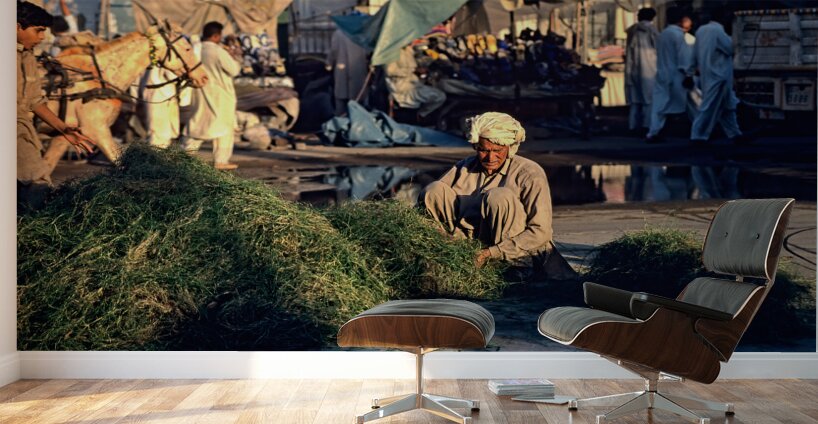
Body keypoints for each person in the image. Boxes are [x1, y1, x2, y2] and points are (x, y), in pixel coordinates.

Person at [419, 112, 553, 268]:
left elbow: (541, 232)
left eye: (497, 151)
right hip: (465, 246)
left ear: (510, 148)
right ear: (475, 147)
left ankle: (512, 269)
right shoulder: (464, 167)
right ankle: (445, 255)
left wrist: (491, 253)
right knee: (434, 189)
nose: (490, 158)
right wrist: (441, 240)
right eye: (483, 150)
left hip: (509, 252)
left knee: (499, 196)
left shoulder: (529, 173)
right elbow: (430, 202)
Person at [17, 1, 95, 209]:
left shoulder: (27, 56)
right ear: (16, 27)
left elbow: (35, 101)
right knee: (37, 183)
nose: (42, 37)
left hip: (24, 130)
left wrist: (64, 129)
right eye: (38, 31)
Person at [184, 21, 241, 170]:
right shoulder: (217, 51)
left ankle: (185, 155)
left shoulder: (196, 49)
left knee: (198, 124)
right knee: (224, 128)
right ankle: (221, 161)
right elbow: (234, 70)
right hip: (221, 95)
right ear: (216, 36)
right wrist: (234, 56)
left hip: (200, 91)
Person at [689, 10, 744, 144]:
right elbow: (730, 49)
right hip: (719, 75)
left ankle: (734, 133)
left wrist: (690, 71)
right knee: (709, 106)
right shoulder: (718, 31)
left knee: (727, 106)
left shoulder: (701, 31)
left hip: (708, 74)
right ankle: (697, 135)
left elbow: (694, 53)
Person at [645, 7, 695, 143]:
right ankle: (700, 131)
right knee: (692, 103)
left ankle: (653, 132)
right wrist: (689, 74)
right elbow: (684, 58)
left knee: (659, 105)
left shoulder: (663, 34)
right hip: (677, 75)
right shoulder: (679, 36)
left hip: (662, 73)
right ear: (681, 20)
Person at [385, 45, 446, 119]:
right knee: (440, 96)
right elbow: (390, 71)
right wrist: (413, 70)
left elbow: (416, 61)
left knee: (440, 88)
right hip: (403, 87)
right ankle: (421, 115)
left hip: (414, 82)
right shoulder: (392, 52)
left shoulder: (408, 49)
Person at [624, 8, 659, 134]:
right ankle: (646, 125)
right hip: (650, 69)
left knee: (635, 100)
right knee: (648, 100)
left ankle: (632, 126)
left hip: (632, 68)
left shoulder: (632, 30)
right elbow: (658, 48)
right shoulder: (652, 31)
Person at [328, 28, 369, 116]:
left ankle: (340, 121)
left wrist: (329, 63)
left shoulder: (338, 33)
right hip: (358, 70)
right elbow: (368, 52)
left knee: (341, 99)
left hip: (342, 70)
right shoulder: (363, 34)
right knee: (358, 99)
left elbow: (333, 50)